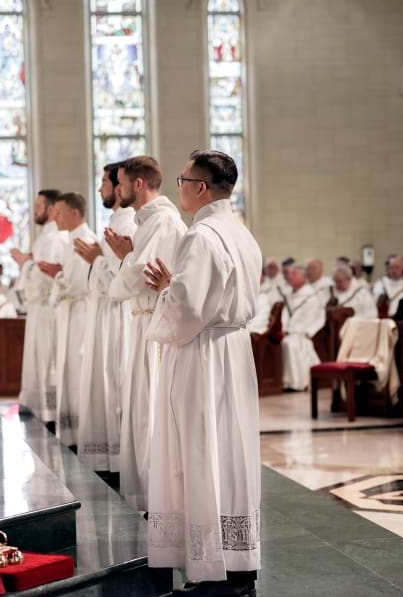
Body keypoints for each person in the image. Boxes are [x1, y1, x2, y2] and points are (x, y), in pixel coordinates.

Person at [144, 150, 261, 597]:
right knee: (231, 454)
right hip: (234, 350)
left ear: (200, 188)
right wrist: (175, 289)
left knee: (198, 450)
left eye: (182, 180)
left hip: (202, 354)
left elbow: (188, 309)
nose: (180, 188)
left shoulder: (201, 236)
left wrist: (165, 293)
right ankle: (239, 567)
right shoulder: (242, 233)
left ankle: (211, 571)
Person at [108, 155, 187, 511]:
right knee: (140, 410)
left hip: (155, 325)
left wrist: (125, 258)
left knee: (150, 412)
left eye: (121, 182)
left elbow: (139, 274)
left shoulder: (164, 221)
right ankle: (145, 495)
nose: (118, 189)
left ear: (138, 184)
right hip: (142, 321)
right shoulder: (149, 222)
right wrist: (127, 257)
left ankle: (159, 499)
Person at [74, 162, 137, 473]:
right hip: (103, 314)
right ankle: (108, 457)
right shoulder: (115, 222)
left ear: (119, 187)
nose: (100, 189)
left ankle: (119, 459)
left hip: (117, 316)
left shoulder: (129, 224)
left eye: (104, 183)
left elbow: (121, 280)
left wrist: (96, 260)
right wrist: (96, 261)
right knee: (103, 384)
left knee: (115, 384)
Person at [39, 192, 97, 448]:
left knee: (77, 372)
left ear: (75, 213)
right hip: (68, 313)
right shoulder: (70, 240)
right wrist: (60, 276)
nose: (56, 218)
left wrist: (59, 276)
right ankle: (71, 434)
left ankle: (82, 433)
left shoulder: (87, 240)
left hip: (80, 314)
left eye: (60, 213)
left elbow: (80, 283)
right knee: (67, 371)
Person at [11, 189, 68, 423]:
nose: (34, 210)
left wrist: (25, 263)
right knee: (36, 358)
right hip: (38, 309)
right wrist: (28, 262)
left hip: (48, 308)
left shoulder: (56, 238)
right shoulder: (44, 237)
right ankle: (35, 405)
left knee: (47, 358)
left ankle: (50, 410)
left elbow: (48, 277)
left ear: (51, 210)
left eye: (38, 206)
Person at [280, 264, 325, 391]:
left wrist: (292, 331)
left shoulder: (311, 296)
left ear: (304, 278)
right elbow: (284, 316)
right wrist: (283, 329)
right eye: (289, 274)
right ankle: (282, 382)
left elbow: (311, 319)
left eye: (293, 274)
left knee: (289, 344)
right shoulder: (289, 295)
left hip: (301, 334)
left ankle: (296, 383)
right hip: (288, 332)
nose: (290, 276)